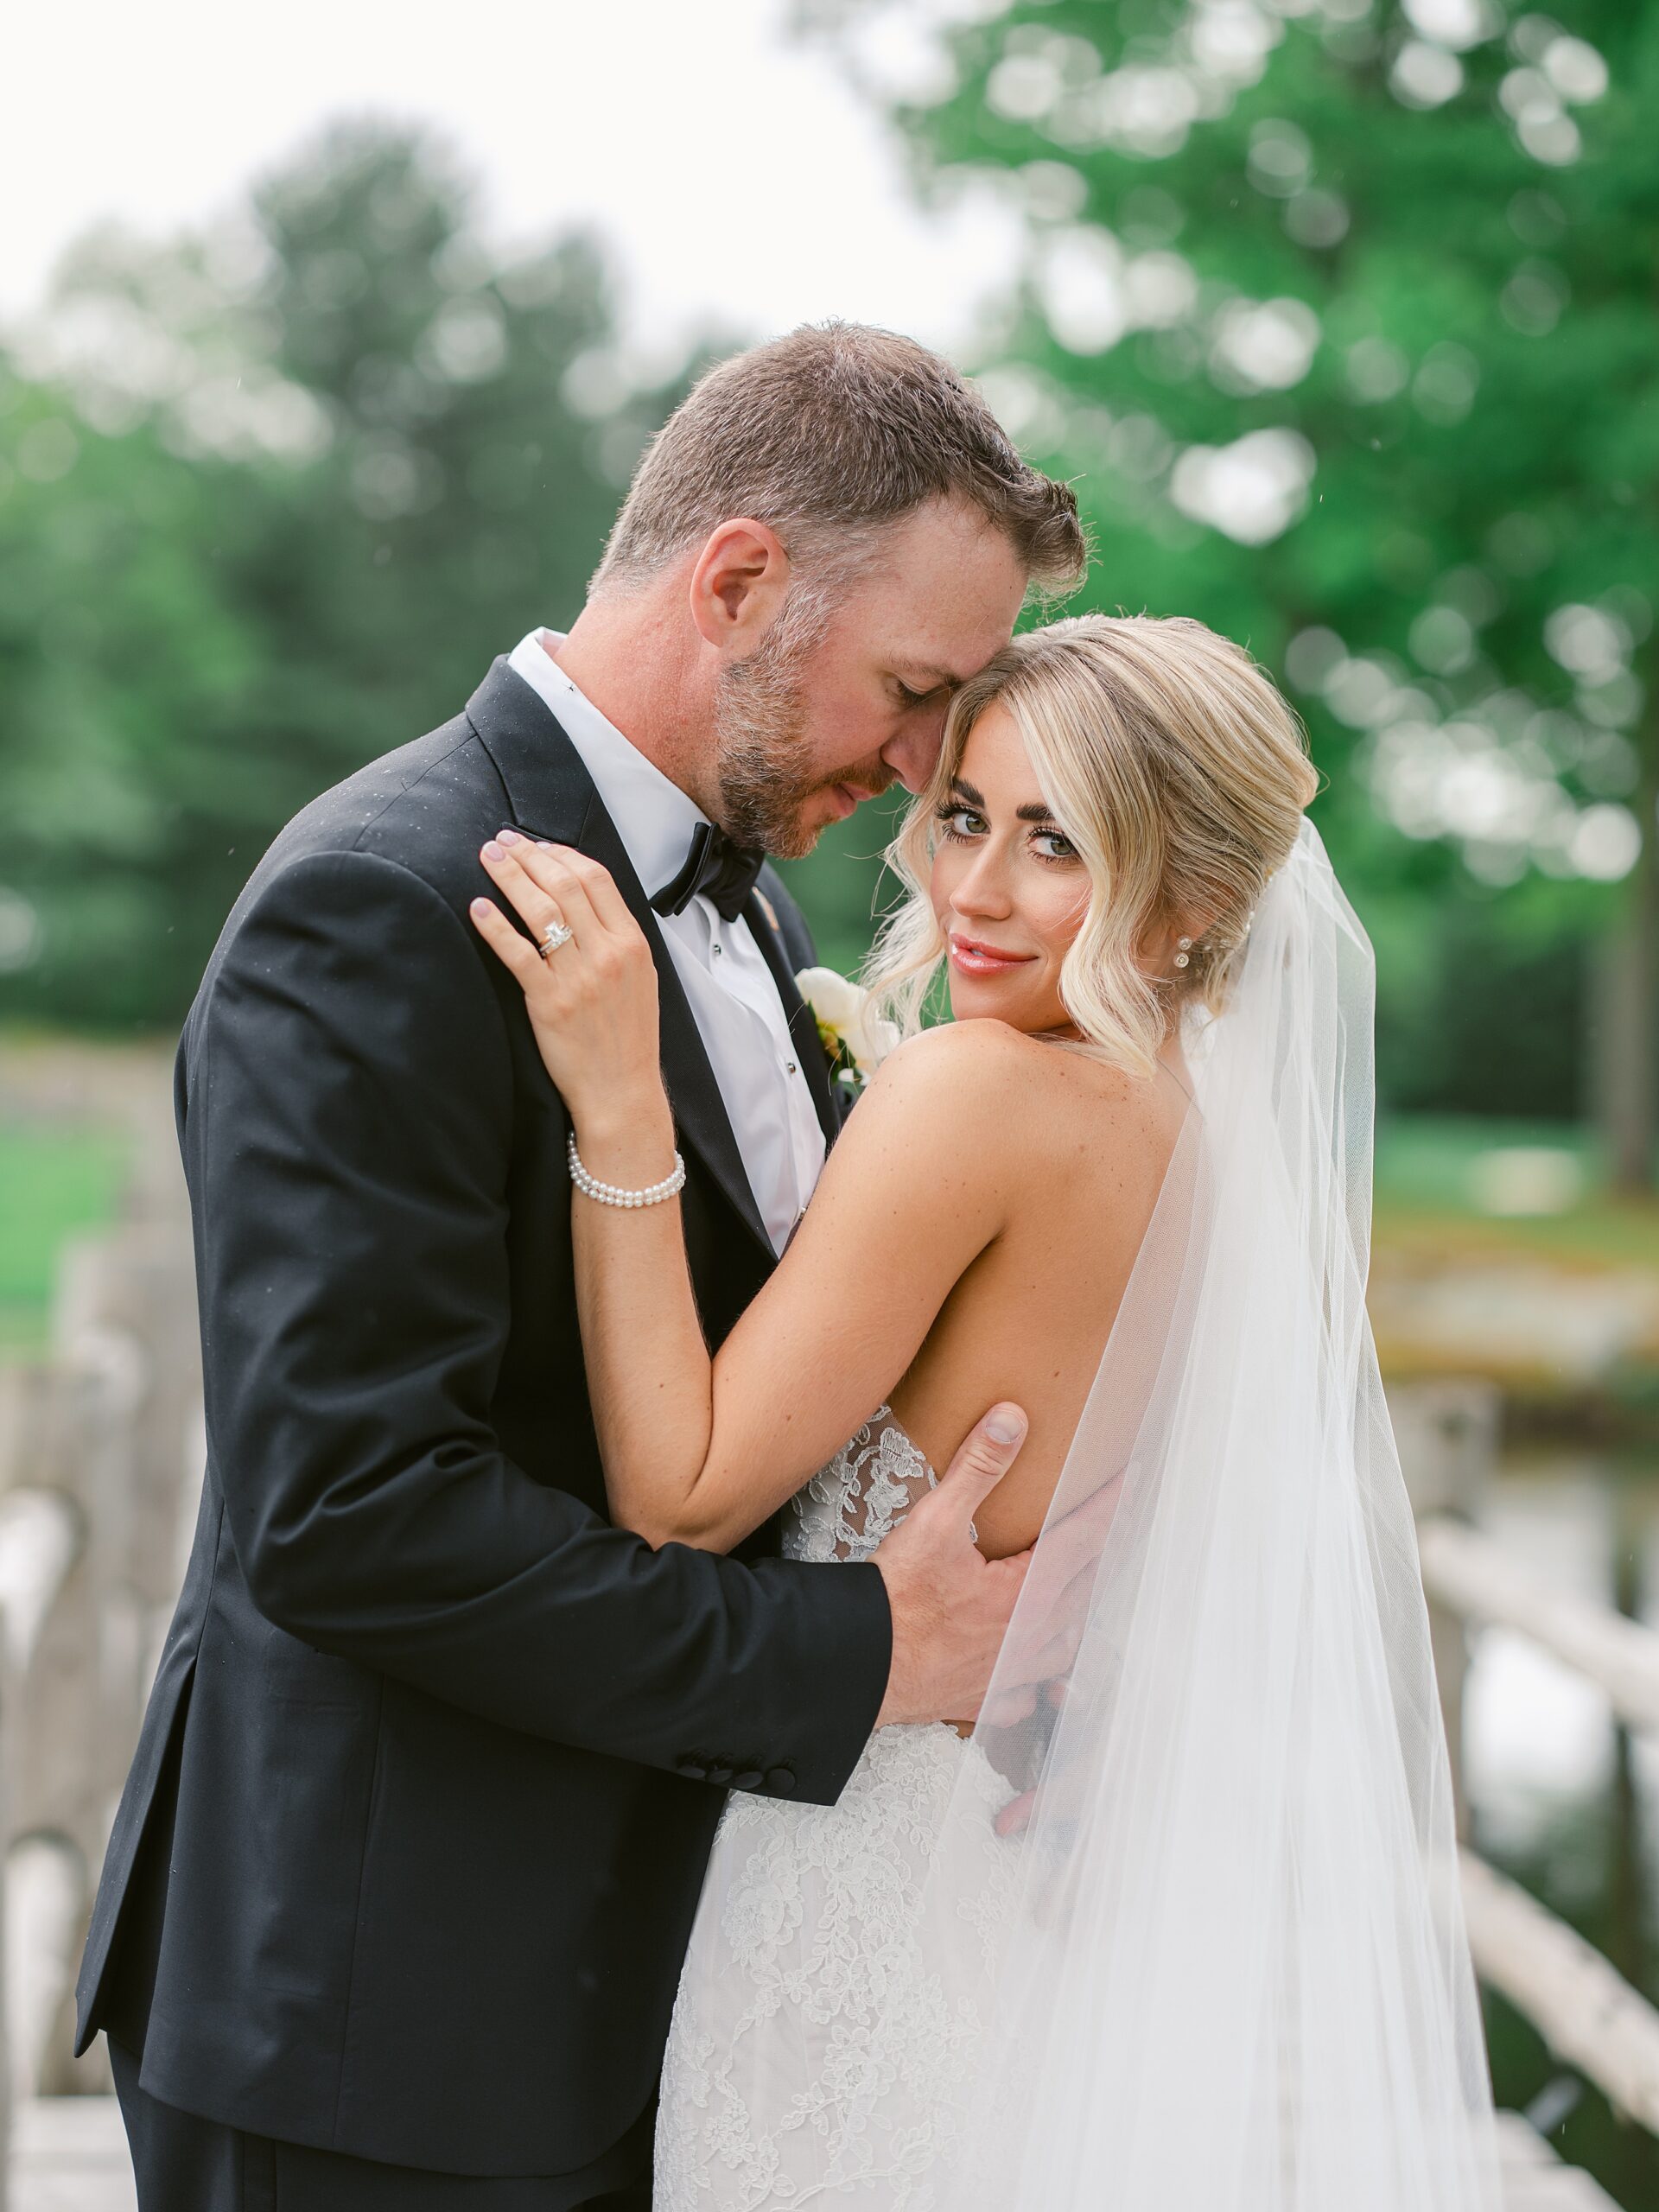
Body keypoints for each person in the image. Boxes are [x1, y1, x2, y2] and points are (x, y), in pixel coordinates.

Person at [74, 323, 1087, 2212]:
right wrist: (867, 1650)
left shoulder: (757, 898)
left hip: (668, 1996)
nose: (931, 761)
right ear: (738, 581)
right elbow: (354, 1511)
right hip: (383, 2025)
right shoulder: (375, 900)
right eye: (917, 687)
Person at [474, 612, 1503, 2210]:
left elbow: (677, 1498)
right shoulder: (1196, 1149)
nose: (975, 891)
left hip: (844, 1887)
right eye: (965, 817)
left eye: (1059, 845)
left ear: (1198, 902)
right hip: (993, 1908)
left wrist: (618, 1103)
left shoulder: (976, 1094)